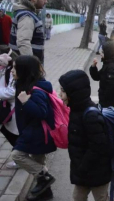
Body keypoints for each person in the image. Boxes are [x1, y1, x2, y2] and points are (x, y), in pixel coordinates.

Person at [59, 70, 114, 201]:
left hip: (97, 170)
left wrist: (82, 167)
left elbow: (99, 147)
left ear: (74, 93)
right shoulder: (76, 110)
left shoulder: (90, 115)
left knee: (101, 198)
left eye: (63, 91)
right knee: (78, 197)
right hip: (83, 170)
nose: (60, 95)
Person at [11, 56, 56, 200]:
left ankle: (45, 177)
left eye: (14, 68)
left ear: (24, 70)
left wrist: (25, 102)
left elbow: (41, 112)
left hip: (37, 133)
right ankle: (45, 193)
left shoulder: (36, 90)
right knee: (38, 162)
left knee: (17, 156)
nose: (12, 71)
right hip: (33, 132)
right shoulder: (24, 84)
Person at [9, 0, 48, 64]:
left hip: (21, 64)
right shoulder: (27, 16)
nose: (46, 1)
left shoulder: (27, 13)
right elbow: (23, 42)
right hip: (25, 67)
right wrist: (31, 66)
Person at [90, 40, 114, 109]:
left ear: (109, 53)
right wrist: (93, 67)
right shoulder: (107, 64)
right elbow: (97, 77)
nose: (101, 54)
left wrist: (103, 104)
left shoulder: (112, 68)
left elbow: (111, 89)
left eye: (103, 52)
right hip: (105, 103)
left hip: (109, 105)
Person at [0, 48, 19, 169]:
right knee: (7, 130)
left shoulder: (11, 72)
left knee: (13, 133)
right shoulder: (3, 70)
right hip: (5, 106)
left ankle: (20, 157)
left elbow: (12, 91)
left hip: (12, 108)